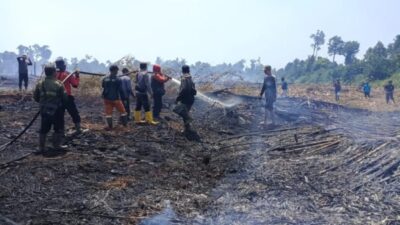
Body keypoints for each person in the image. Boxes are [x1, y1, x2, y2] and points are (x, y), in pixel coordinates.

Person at [33, 63, 67, 153]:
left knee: (44, 128)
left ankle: (41, 147)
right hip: (57, 110)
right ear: (54, 72)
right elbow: (65, 98)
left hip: (44, 110)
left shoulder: (40, 84)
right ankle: (56, 145)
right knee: (58, 128)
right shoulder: (59, 84)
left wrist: (43, 103)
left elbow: (36, 97)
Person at [55, 58, 83, 134]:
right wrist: (77, 76)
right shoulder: (67, 74)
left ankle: (61, 132)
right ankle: (78, 129)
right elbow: (75, 85)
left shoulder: (53, 74)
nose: (65, 65)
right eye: (64, 64)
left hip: (57, 98)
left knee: (59, 115)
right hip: (67, 97)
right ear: (62, 65)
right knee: (74, 113)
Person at [102, 65, 128, 129]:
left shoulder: (105, 78)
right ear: (114, 70)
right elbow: (121, 90)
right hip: (116, 99)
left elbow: (103, 87)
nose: (117, 71)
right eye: (117, 70)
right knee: (123, 112)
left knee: (108, 113)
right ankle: (125, 126)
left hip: (106, 98)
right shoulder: (118, 79)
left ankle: (110, 127)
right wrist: (124, 98)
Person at [175, 65, 197, 133]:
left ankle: (188, 119)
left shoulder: (184, 78)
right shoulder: (190, 77)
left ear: (182, 71)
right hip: (191, 98)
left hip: (186, 99)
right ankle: (187, 129)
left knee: (177, 109)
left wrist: (178, 97)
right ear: (188, 70)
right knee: (184, 112)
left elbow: (184, 89)